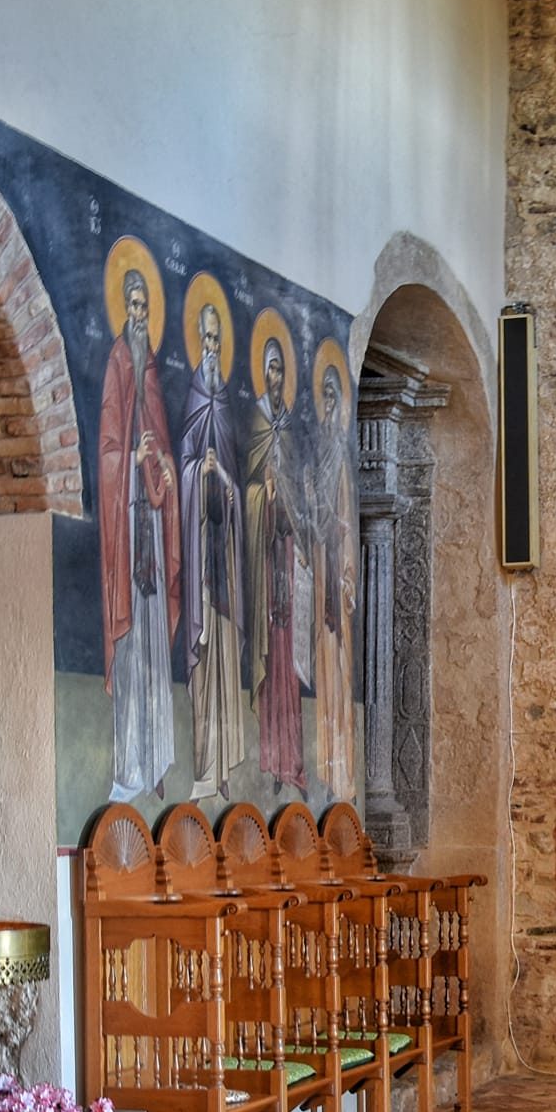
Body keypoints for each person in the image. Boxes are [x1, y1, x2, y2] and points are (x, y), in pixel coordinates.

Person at [97, 265, 181, 802]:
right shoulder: (117, 363)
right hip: (128, 531)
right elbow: (107, 452)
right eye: (131, 306)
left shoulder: (150, 370)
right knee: (132, 655)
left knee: (154, 648)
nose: (138, 316)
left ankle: (155, 766)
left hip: (152, 523)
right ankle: (129, 768)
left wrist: (167, 469)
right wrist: (133, 458)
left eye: (144, 308)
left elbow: (166, 447)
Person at [179, 302, 246, 800]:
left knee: (225, 668)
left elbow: (238, 493)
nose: (210, 351)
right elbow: (181, 471)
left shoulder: (225, 412)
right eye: (204, 341)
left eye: (216, 343)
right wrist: (194, 476)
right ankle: (202, 765)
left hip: (224, 566)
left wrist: (222, 479)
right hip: (201, 564)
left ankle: (223, 769)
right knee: (203, 668)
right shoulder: (193, 403)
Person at [246, 333, 305, 790]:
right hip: (265, 563)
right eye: (269, 369)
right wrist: (262, 496)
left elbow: (300, 499)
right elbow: (247, 487)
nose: (275, 376)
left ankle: (291, 759)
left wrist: (288, 506)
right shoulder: (259, 424)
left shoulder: (289, 427)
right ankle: (269, 756)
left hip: (286, 554)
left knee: (287, 658)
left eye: (280, 369)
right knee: (271, 650)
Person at [313, 358, 357, 799]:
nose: (328, 405)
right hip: (317, 569)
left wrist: (345, 572)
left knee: (339, 672)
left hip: (334, 576)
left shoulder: (341, 460)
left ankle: (341, 766)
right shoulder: (317, 456)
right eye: (323, 398)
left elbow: (344, 517)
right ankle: (326, 767)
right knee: (324, 670)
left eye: (333, 398)